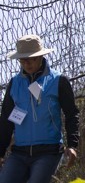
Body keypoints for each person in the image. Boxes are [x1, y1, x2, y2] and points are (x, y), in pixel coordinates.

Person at [0, 35, 79, 183]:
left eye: (32, 59)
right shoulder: (14, 84)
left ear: (41, 56)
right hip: (19, 152)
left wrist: (72, 145)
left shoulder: (58, 80)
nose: (27, 63)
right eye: (22, 60)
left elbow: (71, 114)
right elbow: (6, 119)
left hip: (49, 151)